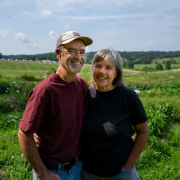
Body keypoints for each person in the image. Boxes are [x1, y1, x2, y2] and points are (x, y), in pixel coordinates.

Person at [18, 31, 93, 180]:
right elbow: (24, 133)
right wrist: (43, 174)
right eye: (71, 51)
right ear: (58, 54)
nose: (78, 56)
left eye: (82, 52)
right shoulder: (45, 91)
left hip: (77, 167)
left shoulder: (82, 86)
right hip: (53, 172)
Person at [80, 48, 148, 180]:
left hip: (120, 173)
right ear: (93, 69)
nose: (102, 71)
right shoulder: (86, 97)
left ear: (116, 73)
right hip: (88, 173)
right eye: (98, 66)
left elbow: (143, 132)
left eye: (109, 68)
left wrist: (128, 166)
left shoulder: (128, 97)